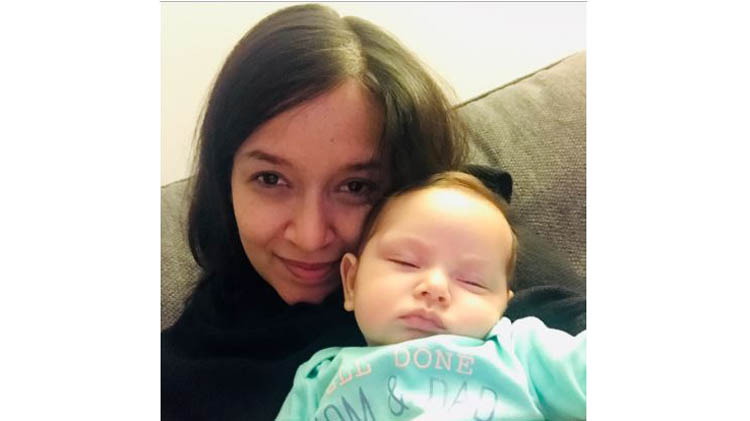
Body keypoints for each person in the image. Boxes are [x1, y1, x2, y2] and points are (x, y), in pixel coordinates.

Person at [162, 4, 585, 420]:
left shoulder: (473, 244)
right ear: (225, 180)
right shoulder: (176, 377)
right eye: (271, 179)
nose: (310, 236)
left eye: (356, 186)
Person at [276, 171, 586, 420]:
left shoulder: (519, 351)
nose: (435, 287)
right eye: (406, 262)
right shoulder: (318, 378)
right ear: (352, 282)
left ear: (502, 305)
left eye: (472, 281)